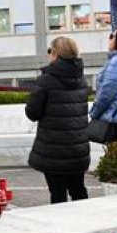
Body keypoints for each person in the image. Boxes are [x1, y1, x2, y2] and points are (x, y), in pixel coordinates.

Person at [26, 37, 90, 204]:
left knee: (57, 195)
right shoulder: (81, 79)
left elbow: (32, 112)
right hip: (78, 149)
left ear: (55, 54)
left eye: (50, 51)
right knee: (79, 190)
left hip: (54, 150)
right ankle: (88, 224)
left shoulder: (46, 80)